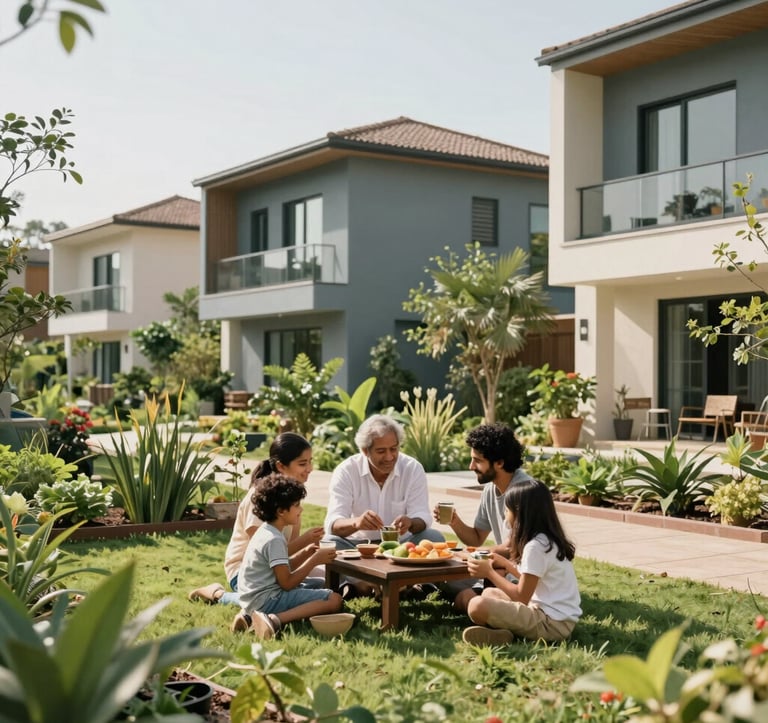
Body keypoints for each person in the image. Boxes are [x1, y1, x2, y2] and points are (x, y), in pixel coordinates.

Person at [188, 432, 324, 605]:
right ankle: (217, 594)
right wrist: (307, 541)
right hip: (248, 572)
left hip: (278, 567)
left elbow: (288, 552)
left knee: (322, 583)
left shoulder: (291, 499)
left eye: (310, 461)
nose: (310, 469)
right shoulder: (262, 499)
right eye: (303, 463)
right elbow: (263, 553)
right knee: (271, 598)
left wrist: (312, 550)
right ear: (281, 466)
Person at [323, 413, 444, 597]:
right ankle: (398, 584)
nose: (389, 457)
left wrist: (411, 522)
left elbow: (423, 517)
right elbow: (332, 523)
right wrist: (357, 523)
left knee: (434, 537)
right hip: (359, 548)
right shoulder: (346, 470)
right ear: (365, 451)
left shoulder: (412, 468)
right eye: (381, 451)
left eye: (393, 449)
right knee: (329, 543)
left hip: (401, 548)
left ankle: (364, 585)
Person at [461, 478, 581, 646]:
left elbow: (521, 596)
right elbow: (531, 580)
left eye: (507, 510)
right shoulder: (545, 540)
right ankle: (503, 635)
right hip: (554, 616)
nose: (505, 515)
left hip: (551, 624)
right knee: (489, 594)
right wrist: (505, 564)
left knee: (476, 605)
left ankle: (502, 633)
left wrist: (489, 572)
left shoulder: (535, 547)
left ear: (520, 513)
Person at [433, 423, 532, 612]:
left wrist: (469, 555)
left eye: (477, 461)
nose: (471, 466)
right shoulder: (490, 488)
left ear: (499, 462)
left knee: (460, 592)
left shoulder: (525, 492)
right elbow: (477, 537)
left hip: (520, 575)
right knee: (445, 579)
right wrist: (455, 521)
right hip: (498, 566)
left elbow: (512, 546)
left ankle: (486, 599)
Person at [231, 473, 343, 638]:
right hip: (268, 600)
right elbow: (287, 583)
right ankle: (274, 620)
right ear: (281, 511)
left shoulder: (266, 531)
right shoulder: (274, 539)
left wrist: (306, 553)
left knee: (317, 585)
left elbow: (281, 569)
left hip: (252, 599)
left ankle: (249, 618)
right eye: (297, 505)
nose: (301, 509)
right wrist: (315, 560)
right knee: (334, 600)